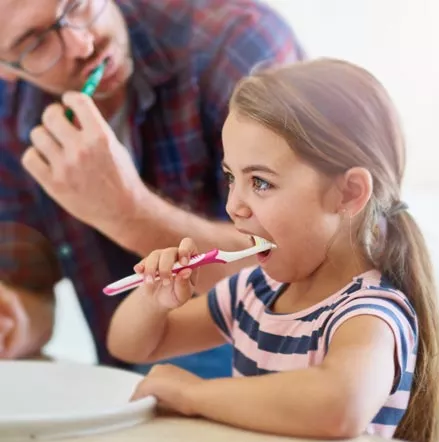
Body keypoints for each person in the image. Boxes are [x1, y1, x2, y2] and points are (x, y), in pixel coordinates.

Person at [108, 58, 439, 442]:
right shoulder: (253, 292)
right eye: (232, 177)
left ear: (349, 193)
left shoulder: (368, 312)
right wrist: (154, 300)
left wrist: (193, 395)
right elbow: (132, 345)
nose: (235, 205)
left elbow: (340, 404)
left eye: (261, 183)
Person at [0, 0, 304, 376]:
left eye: (78, 5)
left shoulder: (236, 44)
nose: (81, 44)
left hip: (278, 378)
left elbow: (298, 264)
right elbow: (30, 287)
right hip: (134, 387)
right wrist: (15, 317)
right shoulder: (9, 115)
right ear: (4, 69)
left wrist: (128, 212)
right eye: (35, 43)